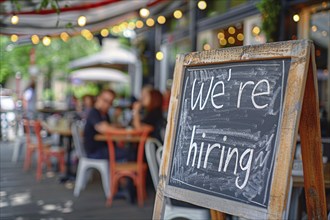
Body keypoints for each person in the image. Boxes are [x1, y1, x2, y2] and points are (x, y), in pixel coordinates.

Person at [83, 89, 123, 159]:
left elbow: (110, 126)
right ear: (98, 98)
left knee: (128, 151)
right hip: (95, 151)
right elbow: (104, 128)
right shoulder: (94, 112)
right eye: (105, 100)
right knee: (131, 153)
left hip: (103, 149)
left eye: (110, 103)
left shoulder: (104, 114)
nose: (107, 104)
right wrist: (124, 133)